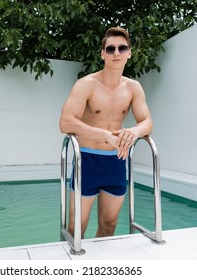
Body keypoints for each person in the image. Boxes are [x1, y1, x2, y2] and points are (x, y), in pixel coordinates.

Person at [59, 27, 153, 238]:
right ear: (102, 54)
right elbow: (65, 122)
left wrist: (134, 131)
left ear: (130, 52)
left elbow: (147, 122)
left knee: (109, 224)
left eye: (122, 48)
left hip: (117, 161)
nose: (116, 53)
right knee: (76, 228)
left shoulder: (133, 87)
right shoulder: (86, 85)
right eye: (110, 49)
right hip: (88, 160)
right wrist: (105, 135)